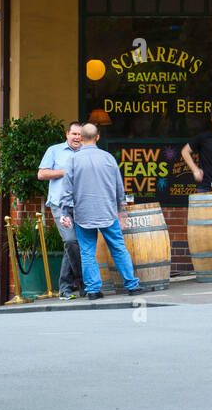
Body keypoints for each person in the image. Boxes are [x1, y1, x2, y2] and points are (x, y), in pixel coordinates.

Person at [58, 122, 140, 300]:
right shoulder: (109, 158)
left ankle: (93, 290)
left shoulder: (72, 160)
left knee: (87, 252)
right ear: (97, 137)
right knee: (118, 248)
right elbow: (119, 187)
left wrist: (64, 212)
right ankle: (132, 285)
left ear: (81, 138)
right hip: (107, 212)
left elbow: (66, 189)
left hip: (83, 214)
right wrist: (121, 211)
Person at [37, 121, 84, 298]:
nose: (77, 138)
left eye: (80, 135)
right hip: (61, 206)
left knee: (72, 245)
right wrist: (65, 171)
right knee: (71, 241)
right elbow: (41, 174)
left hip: (81, 206)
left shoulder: (86, 152)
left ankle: (65, 288)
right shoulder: (54, 150)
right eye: (74, 134)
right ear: (67, 134)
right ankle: (81, 281)